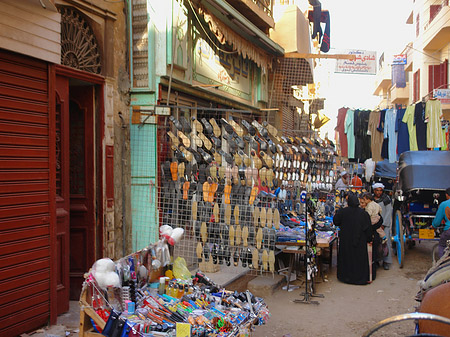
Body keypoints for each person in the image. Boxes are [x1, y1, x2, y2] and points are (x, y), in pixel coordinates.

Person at [333, 193, 372, 285]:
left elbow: (336, 221)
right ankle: (359, 279)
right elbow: (368, 228)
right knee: (359, 260)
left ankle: (345, 278)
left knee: (346, 258)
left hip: (346, 241)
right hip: (359, 241)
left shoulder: (343, 212)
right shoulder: (363, 213)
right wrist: (369, 239)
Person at [373, 183, 393, 270]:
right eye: (377, 190)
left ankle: (386, 261)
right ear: (374, 191)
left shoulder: (386, 199)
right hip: (374, 224)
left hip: (384, 225)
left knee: (386, 242)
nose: (379, 192)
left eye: (380, 190)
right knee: (376, 242)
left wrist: (383, 224)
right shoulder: (372, 199)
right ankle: (376, 260)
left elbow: (389, 212)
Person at [431, 187, 450, 258]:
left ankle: (442, 263)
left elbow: (437, 222)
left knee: (442, 245)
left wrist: (433, 227)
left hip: (449, 231)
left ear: (447, 195)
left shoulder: (444, 204)